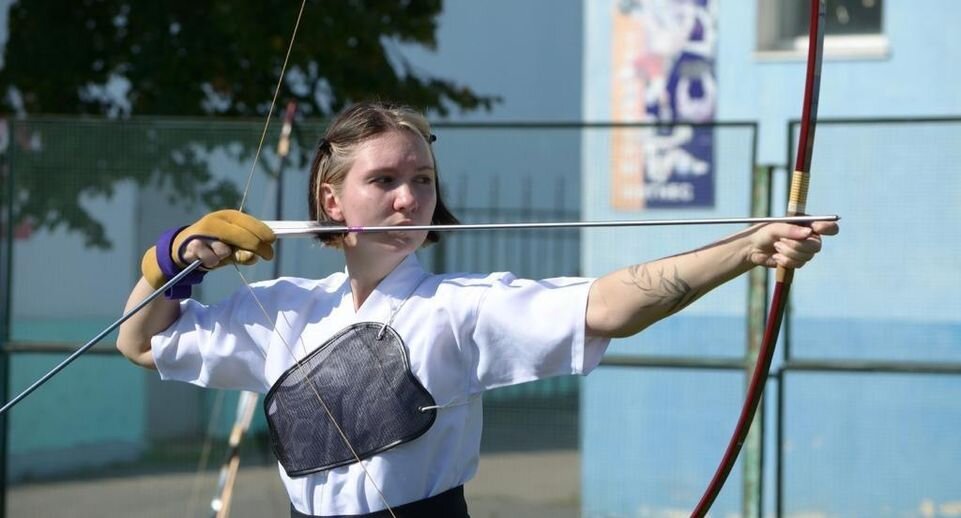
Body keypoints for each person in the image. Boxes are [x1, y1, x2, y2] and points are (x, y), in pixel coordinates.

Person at [117, 101, 838, 517]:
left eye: (422, 178)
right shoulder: (281, 310)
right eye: (386, 179)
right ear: (331, 201)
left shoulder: (459, 309)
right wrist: (171, 260)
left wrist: (746, 248)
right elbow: (142, 344)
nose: (409, 197)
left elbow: (607, 306)